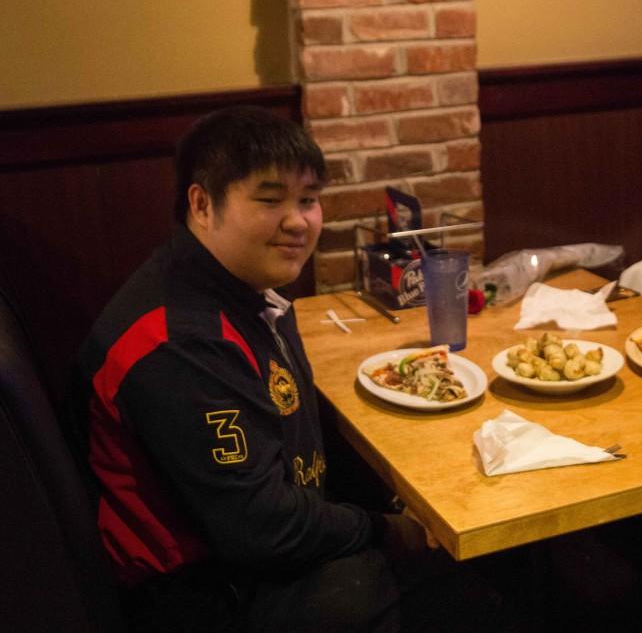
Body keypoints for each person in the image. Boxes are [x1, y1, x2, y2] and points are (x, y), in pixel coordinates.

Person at [78, 106, 501, 631]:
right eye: (270, 198)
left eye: (308, 200)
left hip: (249, 555)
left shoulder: (242, 291)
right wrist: (392, 529)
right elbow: (261, 528)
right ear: (202, 203)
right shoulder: (179, 343)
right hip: (203, 595)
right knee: (472, 587)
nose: (298, 221)